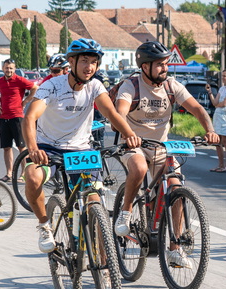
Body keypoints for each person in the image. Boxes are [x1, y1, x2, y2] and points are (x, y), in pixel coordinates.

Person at [22, 38, 141, 253]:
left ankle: (105, 265)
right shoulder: (52, 86)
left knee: (96, 205)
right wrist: (33, 149)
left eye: (94, 62)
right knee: (32, 176)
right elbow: (30, 117)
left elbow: (111, 113)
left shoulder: (95, 86)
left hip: (81, 150)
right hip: (49, 148)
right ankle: (44, 225)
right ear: (71, 62)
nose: (89, 67)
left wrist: (130, 135)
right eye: (84, 61)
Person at [112, 41, 218, 267]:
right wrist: (129, 135)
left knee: (176, 188)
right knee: (140, 168)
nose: (165, 68)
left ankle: (175, 249)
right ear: (145, 66)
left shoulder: (171, 85)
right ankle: (126, 212)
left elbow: (198, 109)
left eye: (166, 64)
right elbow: (120, 113)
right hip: (133, 143)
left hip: (161, 146)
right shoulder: (131, 86)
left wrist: (210, 131)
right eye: (160, 64)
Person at [0, 58, 38, 183]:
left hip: (17, 117)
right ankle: (9, 173)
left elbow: (34, 88)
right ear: (3, 69)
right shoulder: (0, 81)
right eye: (7, 68)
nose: (9, 70)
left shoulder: (19, 80)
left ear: (14, 69)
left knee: (21, 147)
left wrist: (25, 101)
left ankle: (23, 174)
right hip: (3, 118)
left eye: (11, 68)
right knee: (6, 148)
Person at [207, 69, 226, 173]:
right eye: (222, 76)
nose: (223, 78)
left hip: (225, 116)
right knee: (217, 142)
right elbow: (215, 102)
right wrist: (210, 92)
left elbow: (224, 103)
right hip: (217, 115)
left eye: (225, 76)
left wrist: (217, 105)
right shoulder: (222, 89)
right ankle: (220, 165)